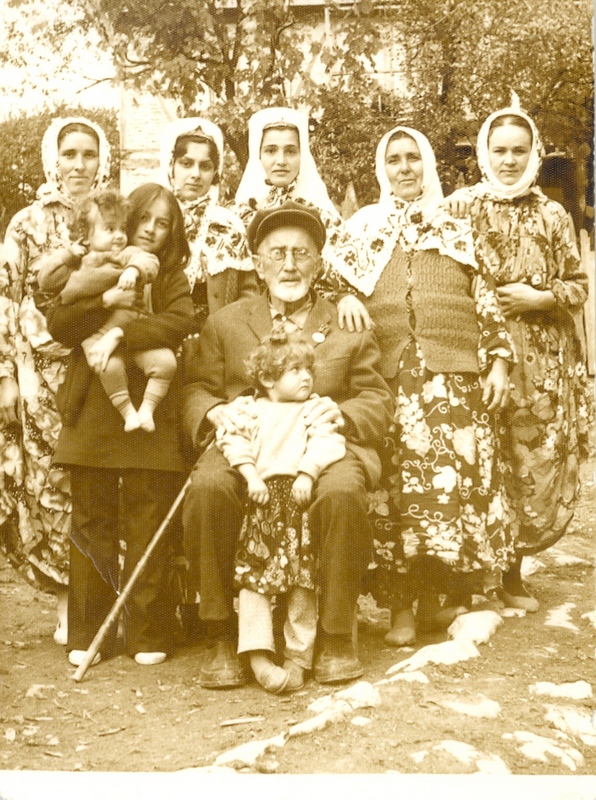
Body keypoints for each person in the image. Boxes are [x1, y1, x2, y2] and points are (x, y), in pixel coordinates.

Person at [181, 199, 393, 688]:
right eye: (277, 254)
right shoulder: (227, 322)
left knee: (341, 492)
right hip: (250, 443)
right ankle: (220, 634)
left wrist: (342, 413)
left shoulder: (346, 324)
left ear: (318, 264)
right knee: (209, 486)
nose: (290, 265)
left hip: (323, 445)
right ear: (258, 265)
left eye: (302, 253)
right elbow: (196, 389)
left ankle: (336, 637)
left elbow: (377, 398)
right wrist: (214, 412)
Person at [340, 126, 517, 646]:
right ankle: (400, 607)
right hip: (390, 380)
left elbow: (485, 299)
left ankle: (439, 599)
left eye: (412, 158)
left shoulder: (455, 226)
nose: (404, 168)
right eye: (394, 160)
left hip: (453, 381)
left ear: (427, 166)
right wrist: (346, 296)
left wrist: (498, 363)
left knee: (448, 493)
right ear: (382, 169)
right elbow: (330, 284)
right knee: (396, 494)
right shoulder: (363, 228)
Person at [445, 107, 591, 611]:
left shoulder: (552, 214)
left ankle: (510, 574)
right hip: (477, 352)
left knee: (528, 463)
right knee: (480, 458)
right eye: (500, 150)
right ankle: (468, 580)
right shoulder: (460, 208)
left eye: (518, 151)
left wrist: (539, 298)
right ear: (485, 153)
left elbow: (578, 286)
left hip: (541, 363)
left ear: (534, 155)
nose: (509, 160)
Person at [46, 183, 194, 667]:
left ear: (173, 232)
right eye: (144, 218)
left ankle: (147, 632)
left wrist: (121, 333)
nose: (151, 229)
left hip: (151, 408)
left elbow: (179, 321)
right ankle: (90, 632)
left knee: (148, 514)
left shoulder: (170, 275)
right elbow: (59, 324)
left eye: (163, 223)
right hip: (94, 404)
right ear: (126, 221)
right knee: (92, 517)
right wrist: (104, 300)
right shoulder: (93, 266)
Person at [0, 117, 111, 646]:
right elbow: (5, 299)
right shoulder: (26, 223)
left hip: (100, 366)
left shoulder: (111, 214)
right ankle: (69, 605)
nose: (79, 165)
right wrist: (5, 376)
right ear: (54, 159)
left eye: (89, 154)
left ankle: (101, 604)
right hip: (39, 375)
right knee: (51, 485)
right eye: (70, 154)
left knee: (96, 484)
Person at [216, 328, 346, 693]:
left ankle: (298, 657)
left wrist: (308, 473)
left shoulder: (313, 409)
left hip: (298, 504)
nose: (306, 377)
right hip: (261, 504)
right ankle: (257, 655)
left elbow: (328, 441)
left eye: (309, 369)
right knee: (254, 580)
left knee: (302, 581)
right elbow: (231, 439)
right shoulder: (250, 409)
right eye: (295, 370)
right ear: (268, 379)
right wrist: (249, 475)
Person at [38, 188, 176, 433]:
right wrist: (68, 256)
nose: (119, 236)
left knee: (165, 363)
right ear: (86, 236)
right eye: (110, 229)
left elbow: (148, 261)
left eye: (122, 228)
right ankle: (128, 412)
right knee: (107, 367)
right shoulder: (78, 264)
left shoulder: (125, 254)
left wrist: (132, 270)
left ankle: (147, 409)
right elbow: (46, 281)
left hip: (133, 332)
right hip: (96, 337)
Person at [234, 106, 368, 328]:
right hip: (252, 325)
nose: (281, 160)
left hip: (314, 324)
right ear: (258, 156)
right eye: (270, 151)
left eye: (290, 151)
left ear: (302, 156)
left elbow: (342, 276)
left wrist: (345, 297)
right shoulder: (237, 218)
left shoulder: (322, 217)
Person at [158, 117, 258, 333]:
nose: (195, 174)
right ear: (171, 166)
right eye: (186, 163)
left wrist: (228, 332)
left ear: (215, 173)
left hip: (218, 336)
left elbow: (249, 294)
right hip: (160, 334)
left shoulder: (229, 225)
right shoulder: (155, 221)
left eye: (205, 166)